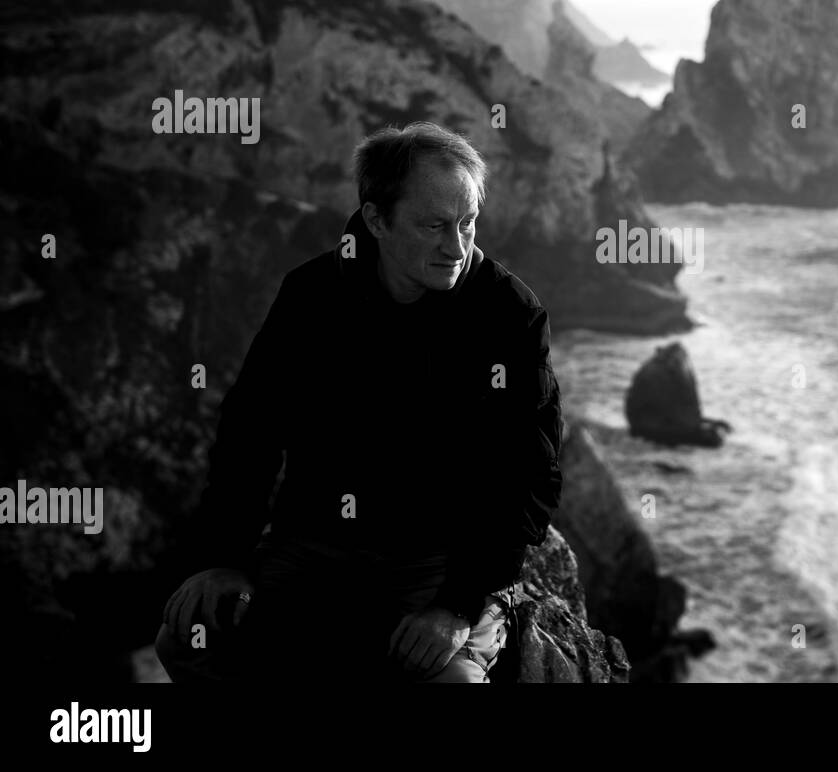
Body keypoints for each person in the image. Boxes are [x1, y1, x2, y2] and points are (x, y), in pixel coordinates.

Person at [155, 122, 563, 682]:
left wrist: (459, 605)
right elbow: (249, 433)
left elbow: (532, 474)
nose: (457, 246)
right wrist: (224, 559)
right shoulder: (312, 294)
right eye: (433, 225)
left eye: (468, 223)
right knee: (186, 639)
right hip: (313, 547)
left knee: (456, 684)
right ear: (376, 220)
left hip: (439, 561)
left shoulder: (509, 314)